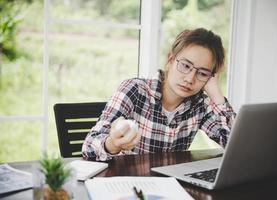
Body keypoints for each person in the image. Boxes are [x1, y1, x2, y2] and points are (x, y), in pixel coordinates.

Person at [82, 28, 236, 161]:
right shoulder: (134, 90)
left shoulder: (200, 104)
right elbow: (89, 146)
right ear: (170, 59)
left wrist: (217, 95)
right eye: (185, 65)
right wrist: (112, 144)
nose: (189, 79)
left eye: (202, 73)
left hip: (171, 187)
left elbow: (234, 146)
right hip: (129, 185)